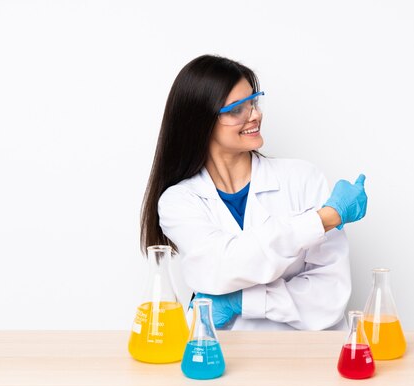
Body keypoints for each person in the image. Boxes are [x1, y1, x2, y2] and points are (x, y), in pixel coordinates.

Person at [140, 55, 367, 331]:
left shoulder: (303, 178)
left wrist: (240, 300)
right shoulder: (179, 201)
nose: (255, 114)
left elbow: (329, 296)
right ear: (200, 122)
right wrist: (320, 220)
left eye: (254, 101)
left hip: (311, 357)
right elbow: (222, 265)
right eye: (238, 109)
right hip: (228, 360)